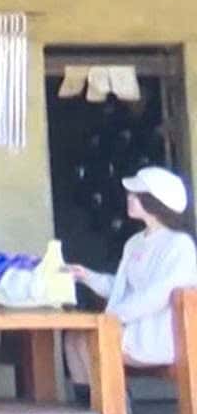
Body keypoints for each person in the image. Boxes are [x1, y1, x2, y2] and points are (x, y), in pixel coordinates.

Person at [64, 167, 197, 391]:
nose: (130, 198)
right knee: (73, 338)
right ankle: (90, 404)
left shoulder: (179, 244)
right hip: (128, 325)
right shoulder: (134, 242)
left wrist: (114, 318)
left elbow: (159, 295)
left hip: (157, 333)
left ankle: (115, 405)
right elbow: (120, 288)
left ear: (154, 201)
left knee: (90, 340)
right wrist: (86, 276)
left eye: (136, 195)